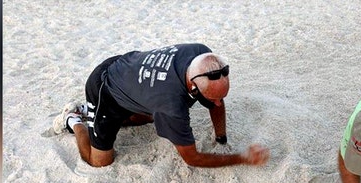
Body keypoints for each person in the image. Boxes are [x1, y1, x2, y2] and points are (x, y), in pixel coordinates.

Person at [52, 43, 269, 168]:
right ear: (192, 87)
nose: (217, 104)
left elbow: (216, 101)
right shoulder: (171, 106)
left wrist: (221, 138)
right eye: (211, 99)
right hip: (105, 88)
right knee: (99, 161)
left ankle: (113, 115)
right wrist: (242, 158)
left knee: (150, 117)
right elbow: (192, 158)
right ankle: (74, 119)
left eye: (221, 96)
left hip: (131, 76)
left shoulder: (202, 56)